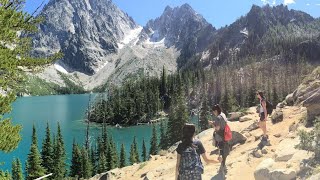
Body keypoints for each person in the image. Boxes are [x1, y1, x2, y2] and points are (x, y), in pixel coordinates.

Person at [209, 104, 230, 174]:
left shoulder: (218, 117)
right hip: (225, 135)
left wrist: (212, 124)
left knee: (221, 152)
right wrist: (214, 123)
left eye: (214, 112)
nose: (213, 113)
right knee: (224, 151)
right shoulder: (223, 114)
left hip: (220, 137)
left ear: (216, 111)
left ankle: (222, 167)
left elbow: (217, 128)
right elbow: (222, 124)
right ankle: (223, 165)